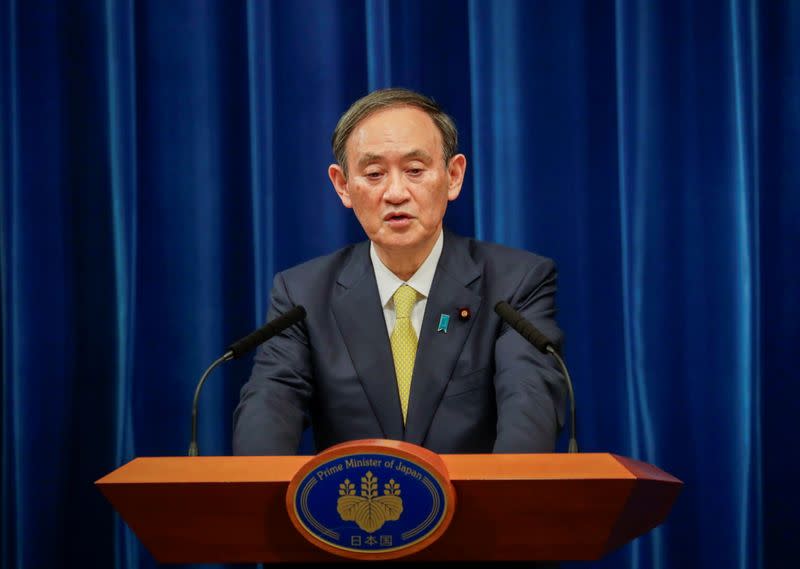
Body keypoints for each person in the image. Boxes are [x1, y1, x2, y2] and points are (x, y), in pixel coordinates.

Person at [233, 88, 567, 455]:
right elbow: (269, 406)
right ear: (343, 185)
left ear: (453, 176)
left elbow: (528, 405)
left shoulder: (515, 283)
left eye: (414, 171)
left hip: (478, 508)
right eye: (374, 173)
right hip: (352, 508)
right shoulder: (303, 295)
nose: (395, 193)